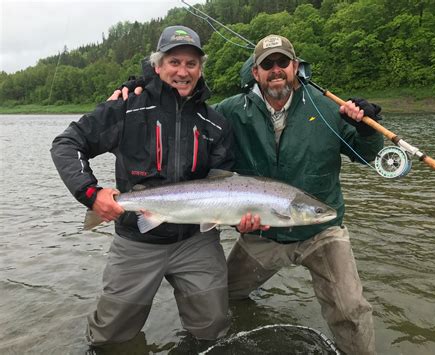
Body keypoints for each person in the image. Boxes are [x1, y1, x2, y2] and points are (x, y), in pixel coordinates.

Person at [113, 34, 383, 355]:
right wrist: (150, 86)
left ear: (295, 67)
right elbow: (186, 119)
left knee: (350, 309)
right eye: (267, 64)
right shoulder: (232, 111)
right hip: (263, 233)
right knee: (220, 295)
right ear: (255, 72)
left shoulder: (328, 109)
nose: (276, 69)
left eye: (283, 62)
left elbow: (367, 155)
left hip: (321, 232)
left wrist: (367, 127)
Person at [50, 25, 234, 346]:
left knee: (215, 329)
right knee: (109, 337)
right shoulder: (126, 107)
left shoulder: (215, 123)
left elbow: (224, 183)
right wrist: (90, 194)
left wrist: (240, 214)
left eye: (191, 63)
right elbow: (67, 144)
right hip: (137, 237)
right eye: (174, 62)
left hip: (195, 240)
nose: (182, 71)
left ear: (200, 69)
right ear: (158, 65)